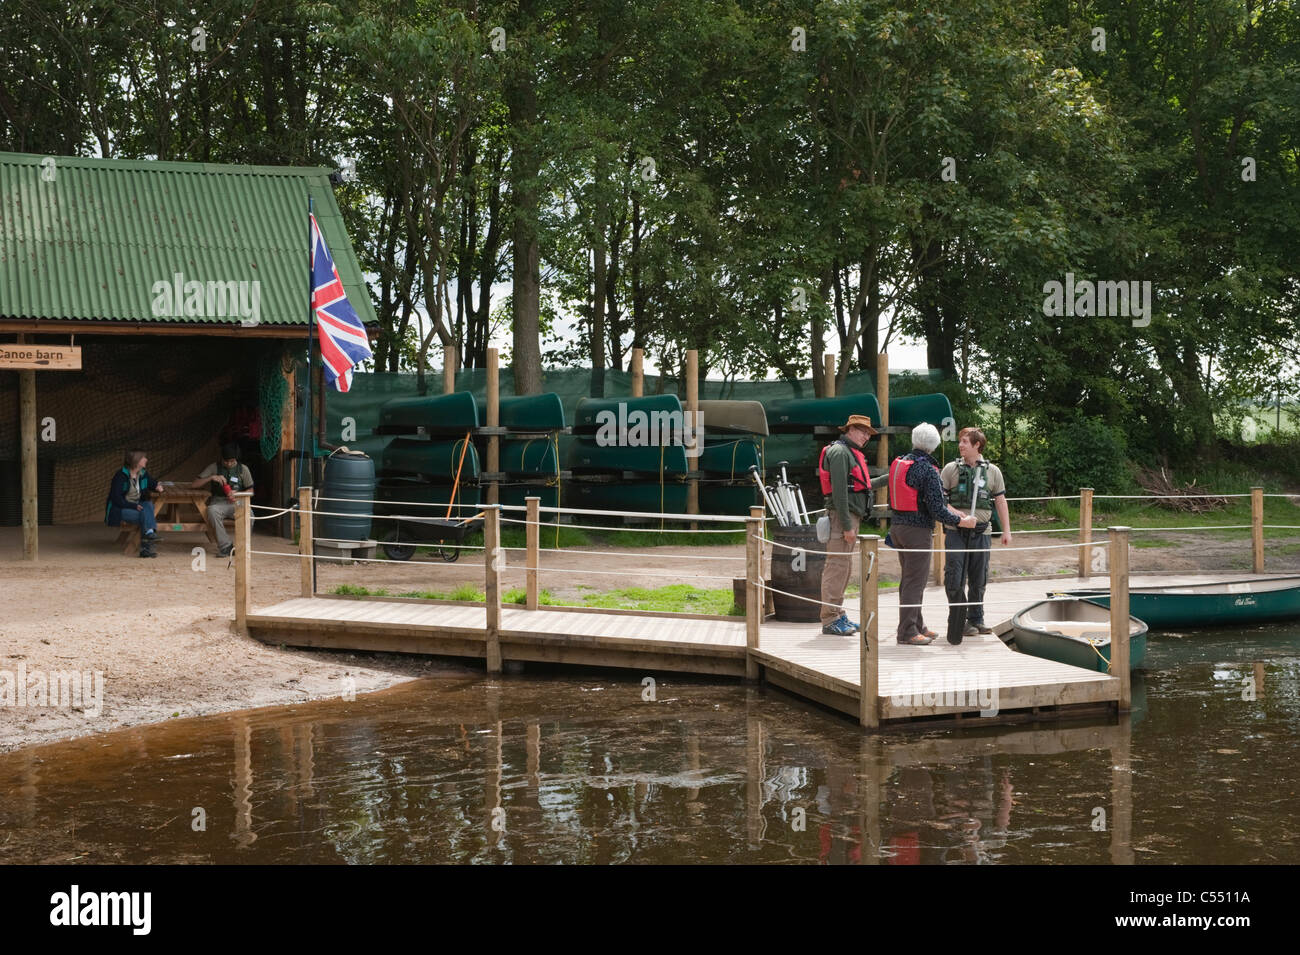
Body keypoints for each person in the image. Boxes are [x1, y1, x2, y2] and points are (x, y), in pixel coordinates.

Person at [888, 423, 976, 645]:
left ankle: (918, 625)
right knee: (914, 582)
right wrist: (960, 521)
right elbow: (937, 508)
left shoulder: (901, 462)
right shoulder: (927, 469)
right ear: (934, 444)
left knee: (910, 579)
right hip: (917, 531)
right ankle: (907, 631)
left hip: (897, 528)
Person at [940, 427, 1011, 642]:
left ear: (977, 445)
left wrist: (1007, 530)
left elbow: (1000, 501)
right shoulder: (951, 469)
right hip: (956, 532)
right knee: (955, 576)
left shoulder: (993, 472)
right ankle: (958, 621)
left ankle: (976, 619)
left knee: (979, 576)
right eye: (960, 441)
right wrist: (959, 516)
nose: (960, 445)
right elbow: (940, 500)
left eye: (964, 441)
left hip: (982, 533)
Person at [817, 414, 877, 636]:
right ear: (850, 429)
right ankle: (830, 619)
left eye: (868, 434)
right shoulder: (841, 452)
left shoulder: (847, 452)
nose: (866, 437)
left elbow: (857, 487)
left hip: (849, 517)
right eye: (863, 431)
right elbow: (840, 492)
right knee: (837, 566)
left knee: (843, 567)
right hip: (843, 518)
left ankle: (837, 614)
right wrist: (846, 526)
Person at [191, 442, 254, 558]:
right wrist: (211, 477)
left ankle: (242, 546)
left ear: (236, 459)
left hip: (237, 502)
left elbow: (251, 490)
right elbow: (194, 484)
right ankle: (226, 546)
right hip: (219, 502)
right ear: (221, 458)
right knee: (211, 510)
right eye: (226, 461)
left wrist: (238, 493)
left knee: (249, 514)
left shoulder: (243, 469)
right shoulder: (214, 467)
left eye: (232, 461)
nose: (229, 464)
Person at [105, 450, 164, 558]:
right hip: (121, 508)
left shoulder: (142, 473)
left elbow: (152, 482)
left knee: (148, 505)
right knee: (145, 515)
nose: (146, 460)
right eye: (143, 458)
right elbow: (116, 498)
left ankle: (148, 537)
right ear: (136, 461)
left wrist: (157, 486)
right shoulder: (120, 476)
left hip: (138, 506)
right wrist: (133, 506)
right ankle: (147, 545)